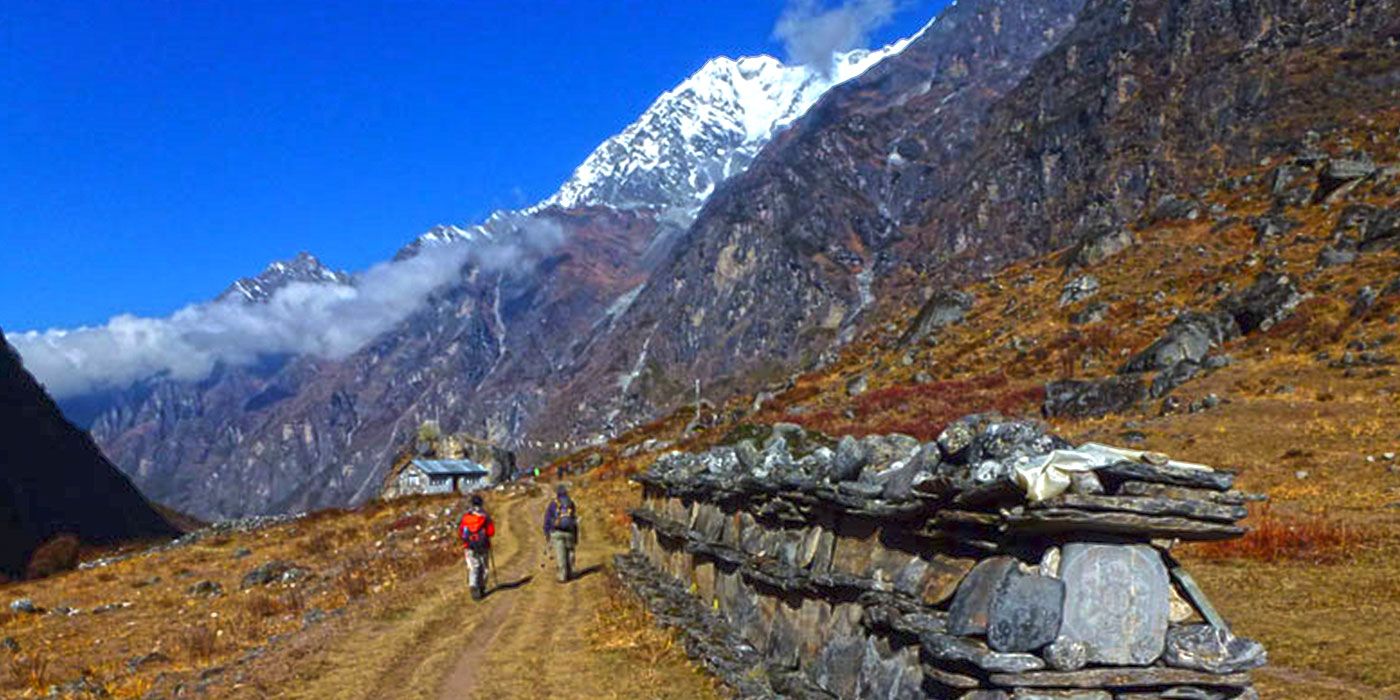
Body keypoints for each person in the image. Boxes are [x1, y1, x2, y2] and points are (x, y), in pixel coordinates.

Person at [458, 494, 495, 600]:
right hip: (483, 546)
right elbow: (491, 532)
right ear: (481, 504)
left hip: (469, 547)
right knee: (484, 568)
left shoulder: (466, 517)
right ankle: (482, 587)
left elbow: (462, 532)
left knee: (474, 567)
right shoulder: (485, 517)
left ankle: (473, 585)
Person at [542, 484, 578, 582]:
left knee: (560, 553)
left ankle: (562, 576)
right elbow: (574, 519)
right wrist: (575, 535)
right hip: (569, 532)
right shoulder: (571, 503)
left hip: (557, 532)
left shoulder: (553, 504)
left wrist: (546, 531)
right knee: (570, 551)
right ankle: (570, 572)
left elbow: (548, 519)